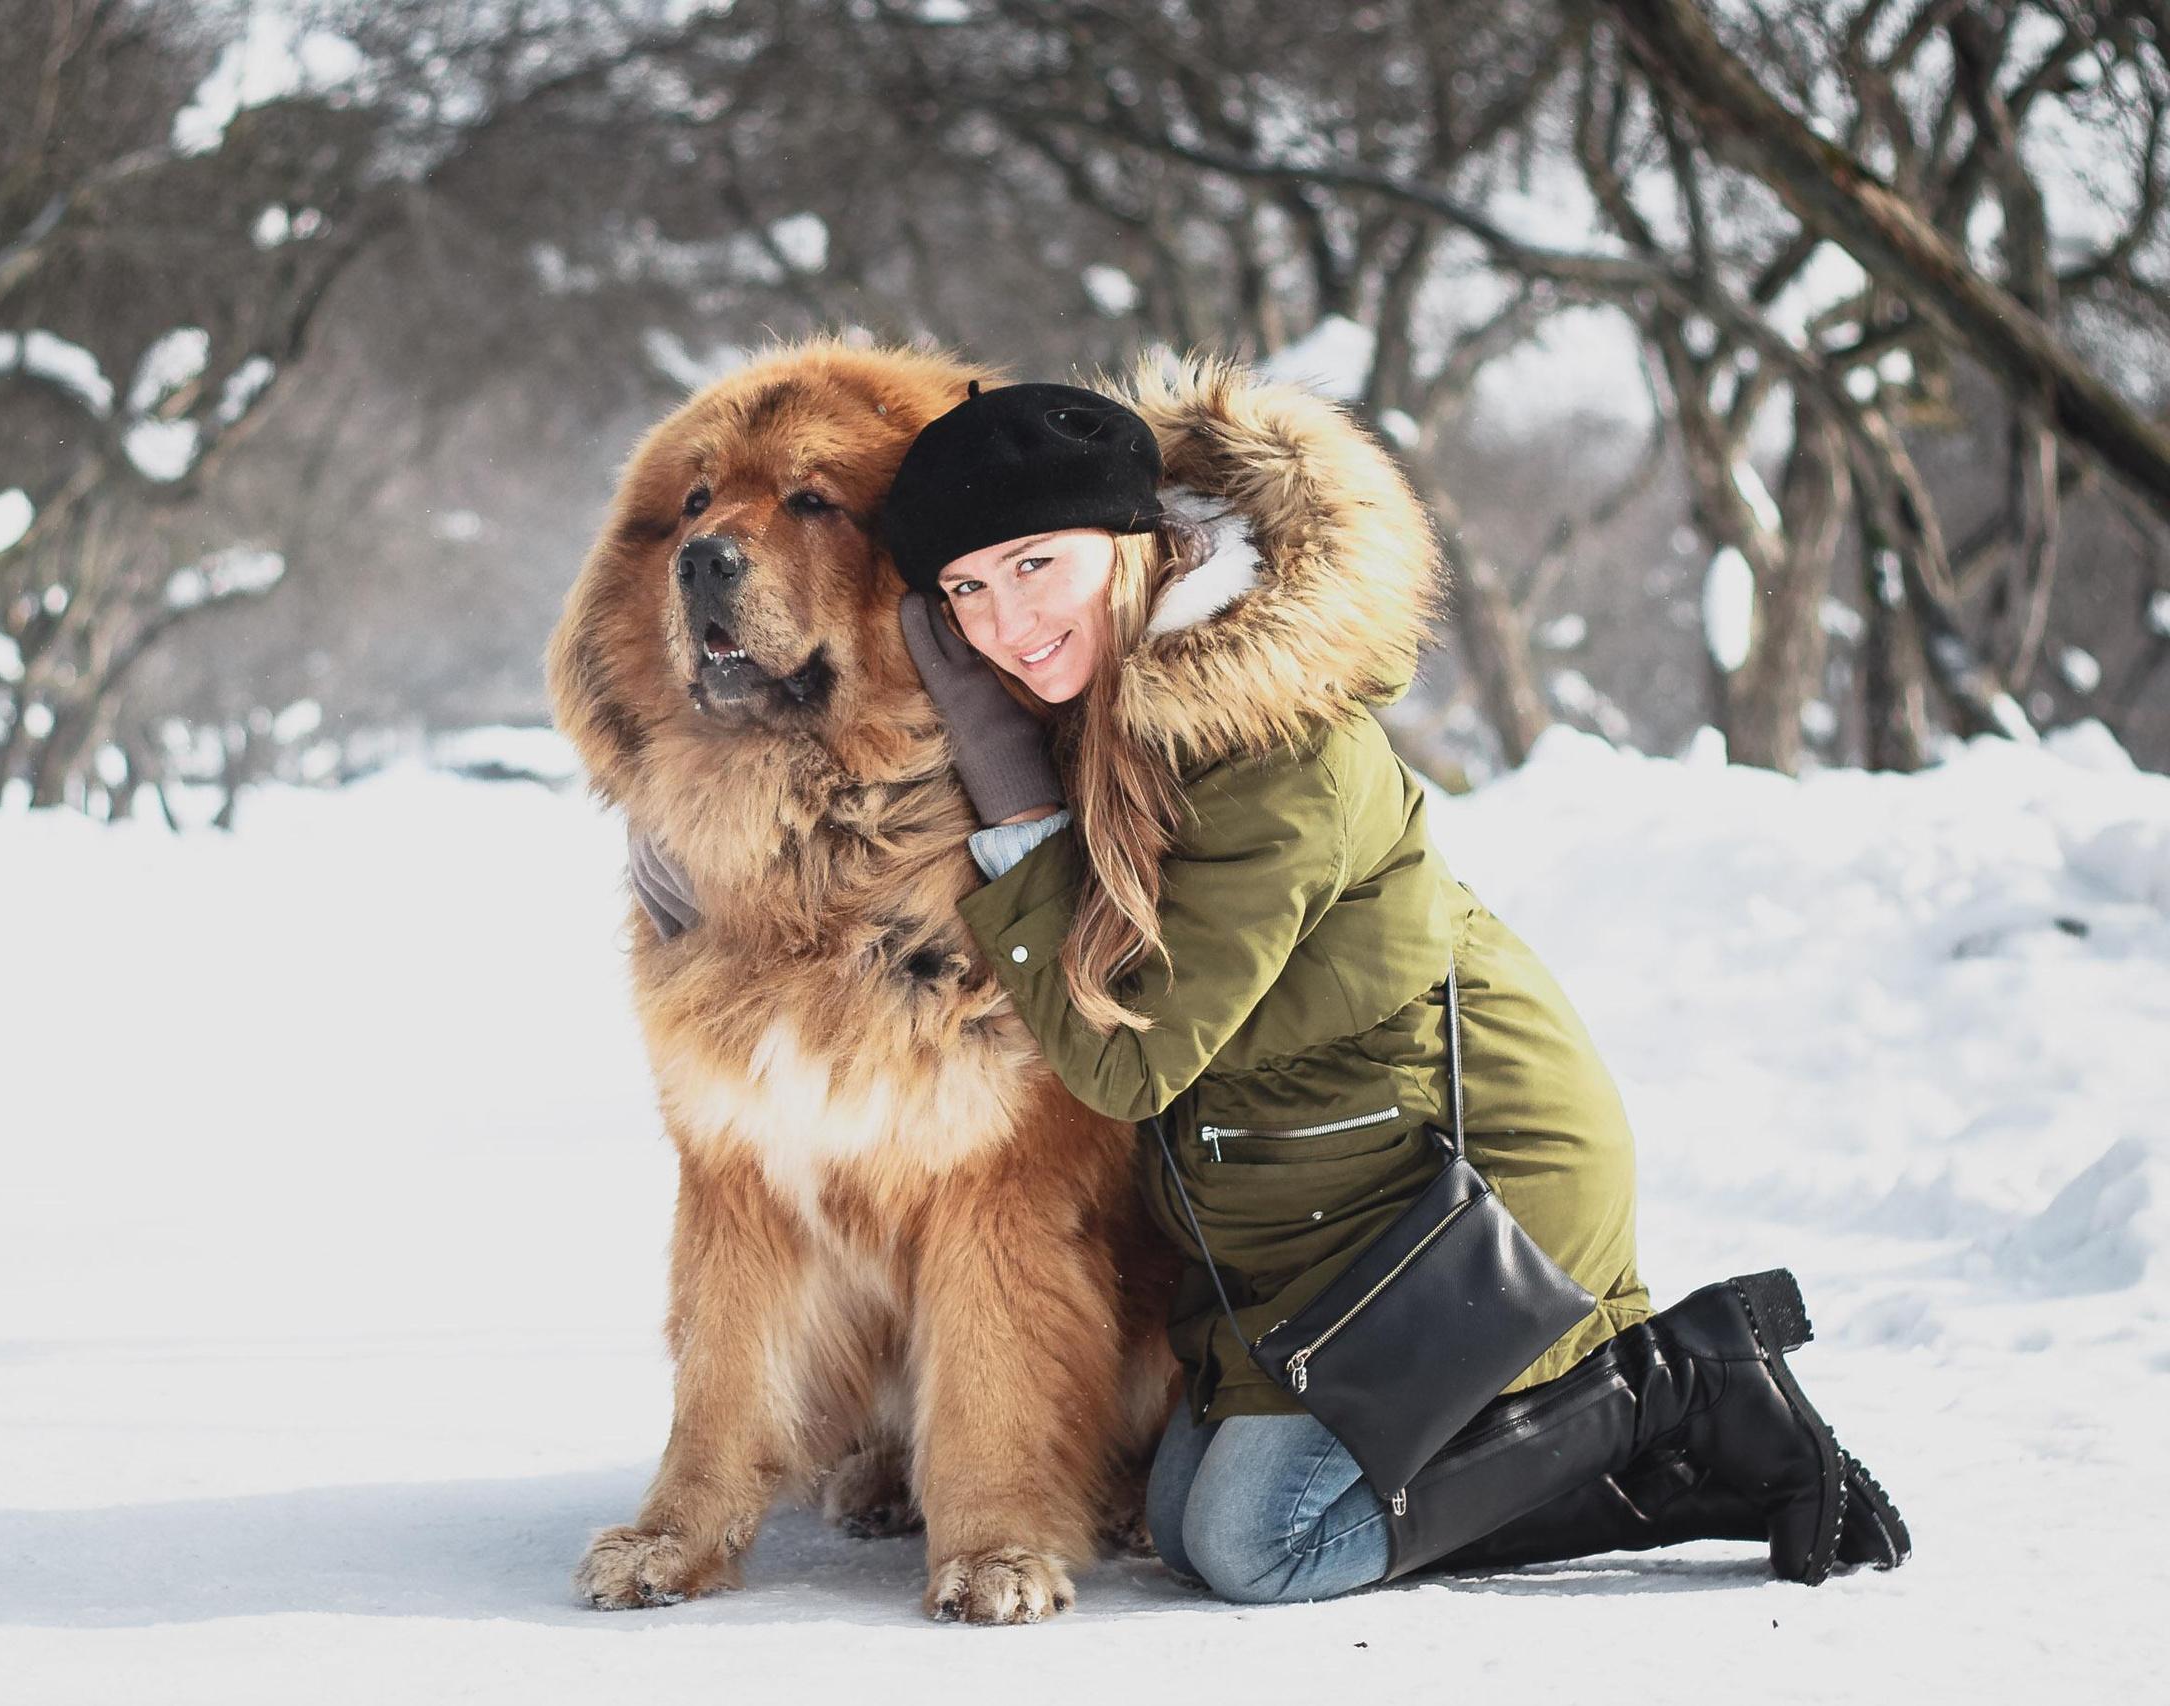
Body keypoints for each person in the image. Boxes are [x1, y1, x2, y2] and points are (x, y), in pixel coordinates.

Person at [632, 358, 1911, 1603]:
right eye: (965, 587)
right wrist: (697, 835)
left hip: (1453, 1194)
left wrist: (1004, 784)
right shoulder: (1080, 693)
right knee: (1181, 1520)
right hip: (1286, 1224)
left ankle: (1669, 1400)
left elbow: (1126, 1059)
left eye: (1036, 564)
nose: (1006, 619)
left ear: (1130, 543)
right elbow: (852, 792)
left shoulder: (1270, 749)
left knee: (1258, 1542)